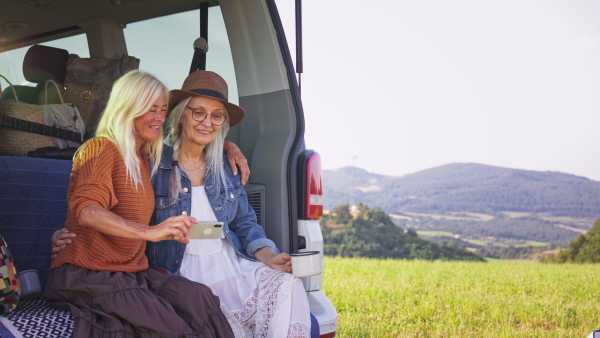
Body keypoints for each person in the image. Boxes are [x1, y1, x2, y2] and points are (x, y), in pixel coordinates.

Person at [45, 70, 234, 338]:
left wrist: (228, 147)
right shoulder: (100, 148)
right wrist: (150, 231)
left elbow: (193, 146)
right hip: (88, 274)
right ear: (127, 109)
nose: (160, 117)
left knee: (199, 299)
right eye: (151, 109)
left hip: (131, 271)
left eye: (163, 110)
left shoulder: (145, 156)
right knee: (168, 326)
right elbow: (88, 212)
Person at [146, 70, 313, 337]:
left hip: (230, 265)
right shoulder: (155, 165)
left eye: (216, 115)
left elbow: (245, 223)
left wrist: (268, 254)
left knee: (287, 286)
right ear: (180, 116)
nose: (207, 122)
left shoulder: (226, 166)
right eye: (198, 112)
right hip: (181, 272)